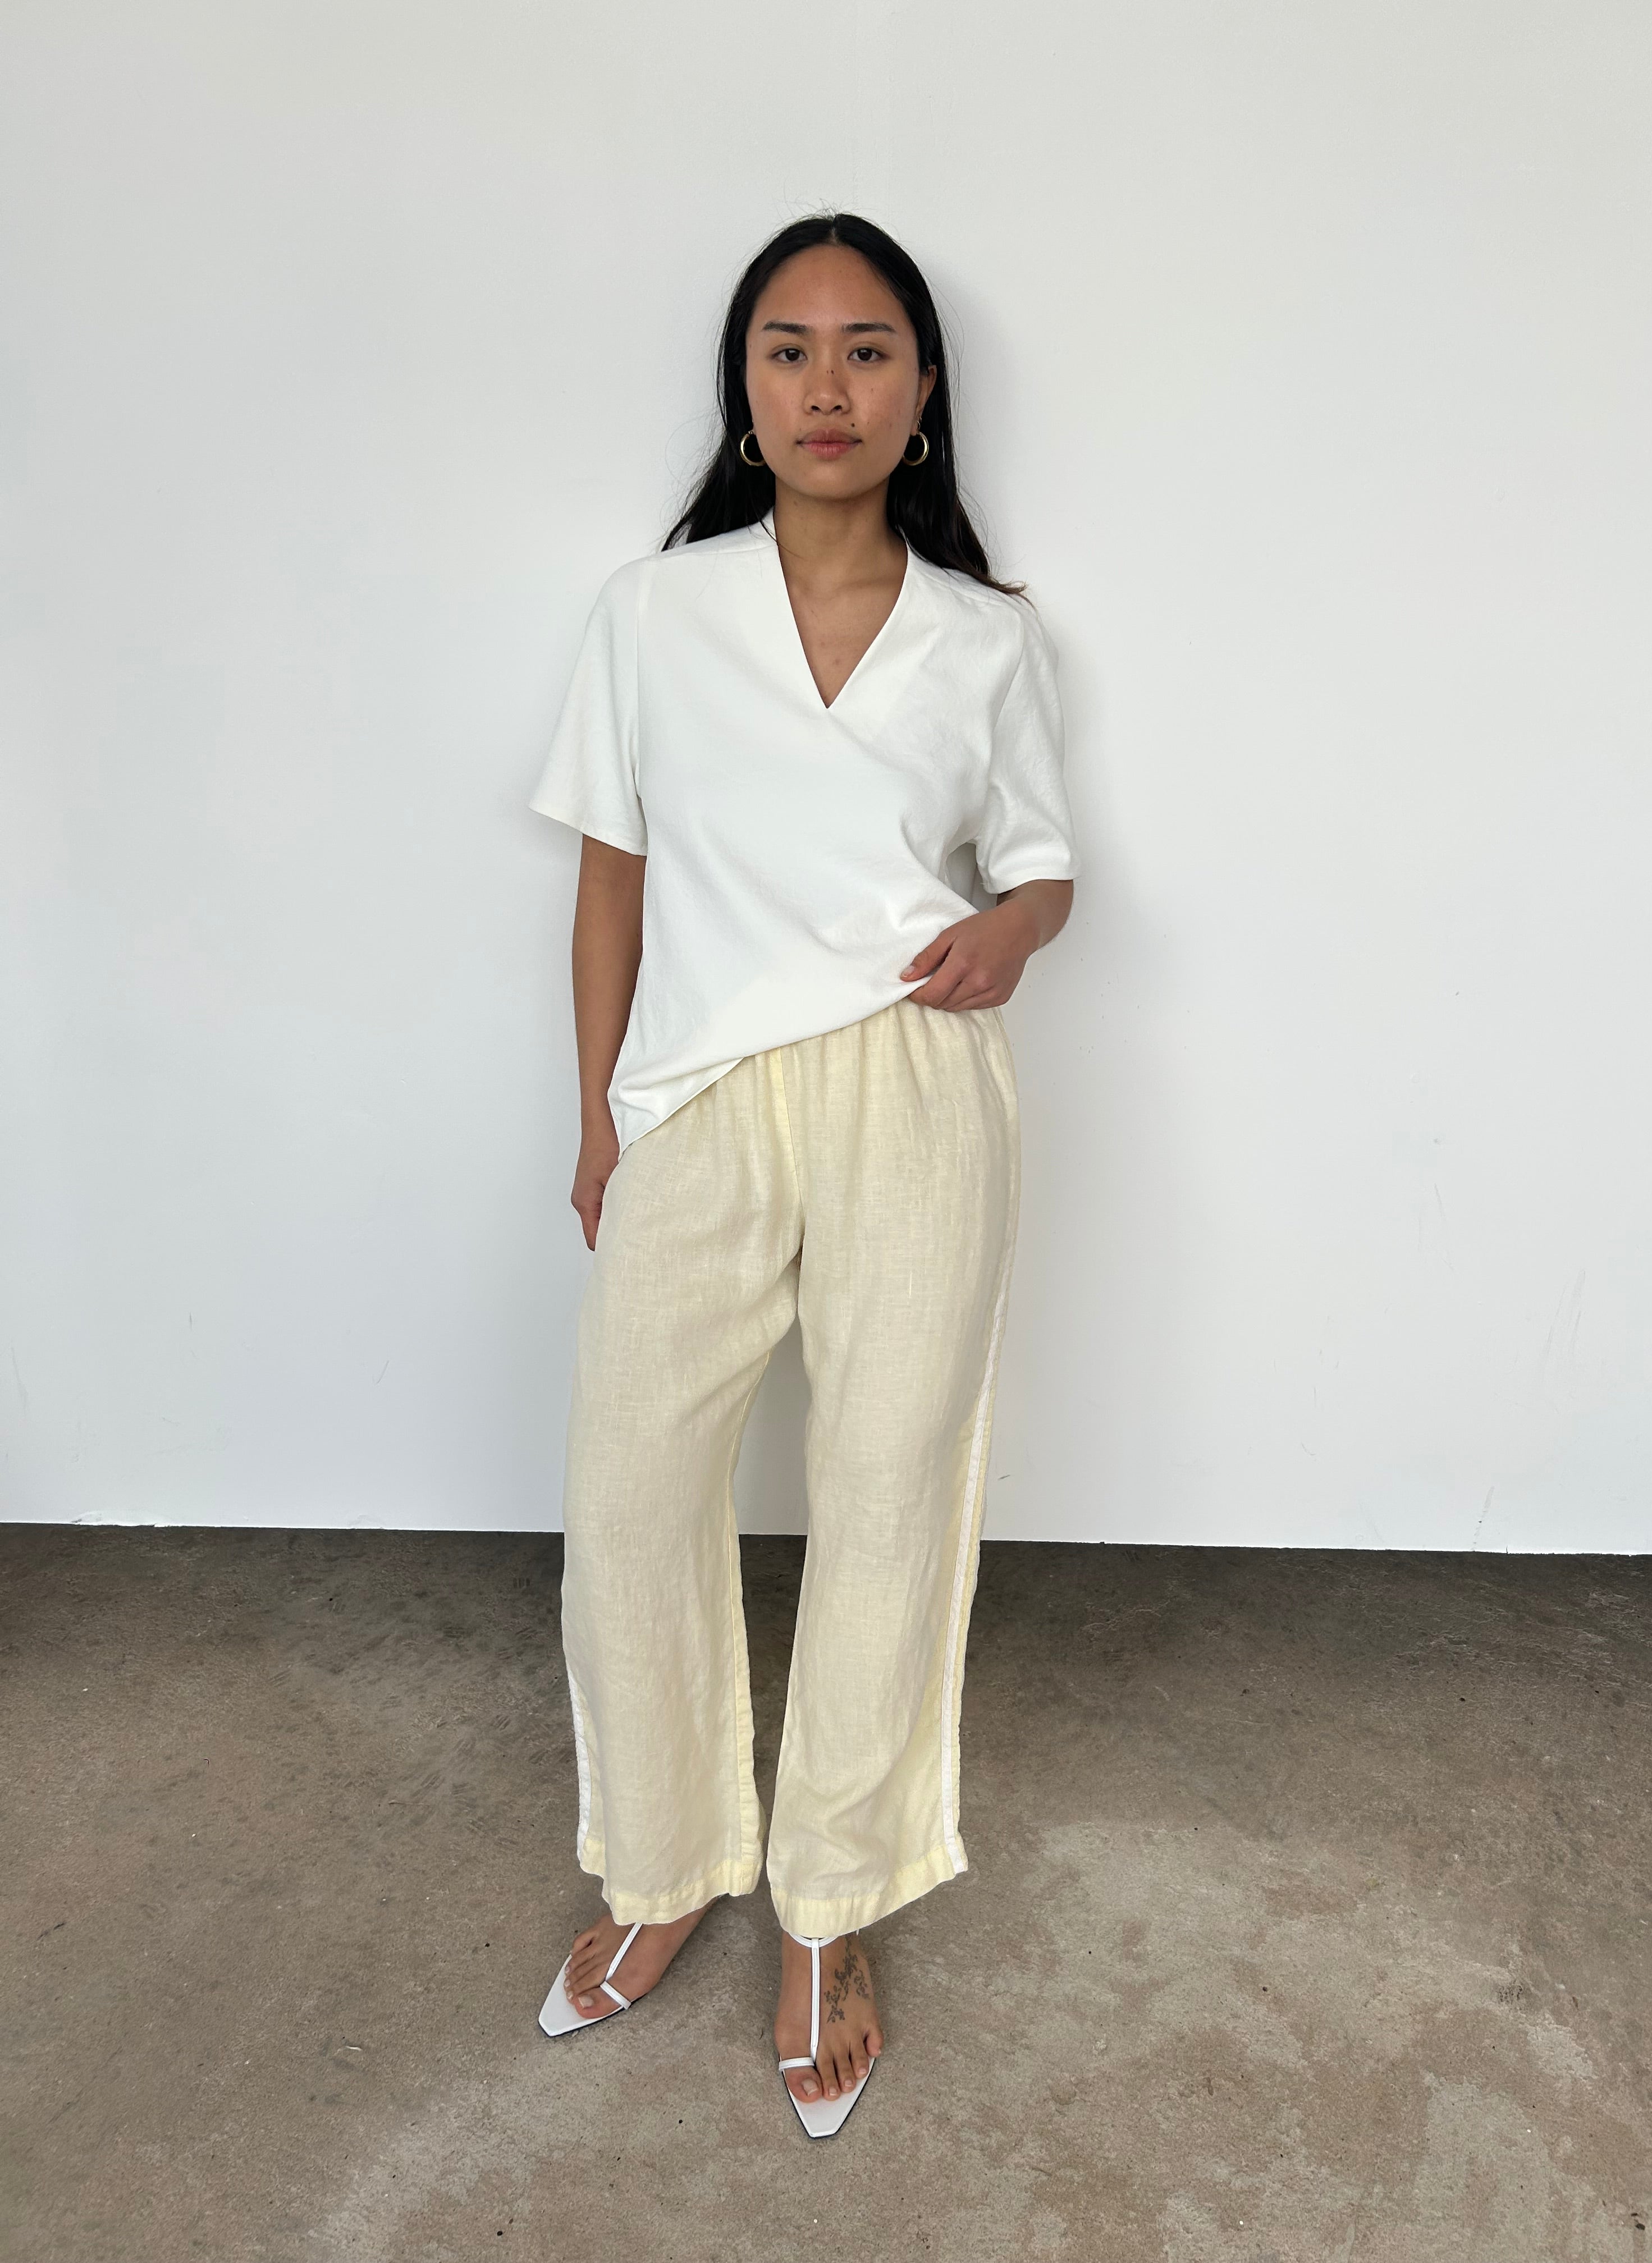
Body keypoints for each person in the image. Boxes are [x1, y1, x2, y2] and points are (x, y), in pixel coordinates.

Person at [528, 212, 1080, 2136]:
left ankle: (830, 1906)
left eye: (866, 349)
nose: (825, 385)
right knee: (630, 1490)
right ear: (743, 387)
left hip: (916, 1083)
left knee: (888, 1498)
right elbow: (612, 880)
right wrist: (601, 1114)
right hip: (700, 1089)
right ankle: (664, 1858)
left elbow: (1042, 866)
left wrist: (1012, 935)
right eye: (788, 347)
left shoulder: (988, 636)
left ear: (922, 391)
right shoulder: (652, 613)